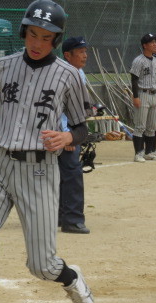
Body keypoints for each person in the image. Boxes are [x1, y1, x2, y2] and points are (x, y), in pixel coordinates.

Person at [0, 0, 94, 303]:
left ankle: (72, 278)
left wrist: (67, 137)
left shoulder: (68, 75)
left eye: (46, 37)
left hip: (39, 170)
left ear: (56, 40)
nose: (37, 43)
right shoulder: (3, 67)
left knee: (42, 265)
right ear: (24, 32)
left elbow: (82, 127)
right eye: (32, 34)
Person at [59, 36, 90, 234]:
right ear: (67, 55)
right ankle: (72, 219)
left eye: (85, 51)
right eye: (80, 52)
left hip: (71, 131)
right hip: (63, 132)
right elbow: (59, 108)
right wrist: (67, 134)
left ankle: (60, 215)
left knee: (61, 174)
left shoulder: (79, 73)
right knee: (71, 173)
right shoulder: (63, 74)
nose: (84, 55)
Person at [130, 33, 156, 163]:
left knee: (152, 125)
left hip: (155, 94)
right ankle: (138, 153)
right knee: (140, 126)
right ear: (144, 45)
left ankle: (149, 152)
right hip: (143, 93)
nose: (155, 45)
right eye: (152, 43)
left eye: (155, 42)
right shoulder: (138, 60)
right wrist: (135, 96)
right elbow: (134, 79)